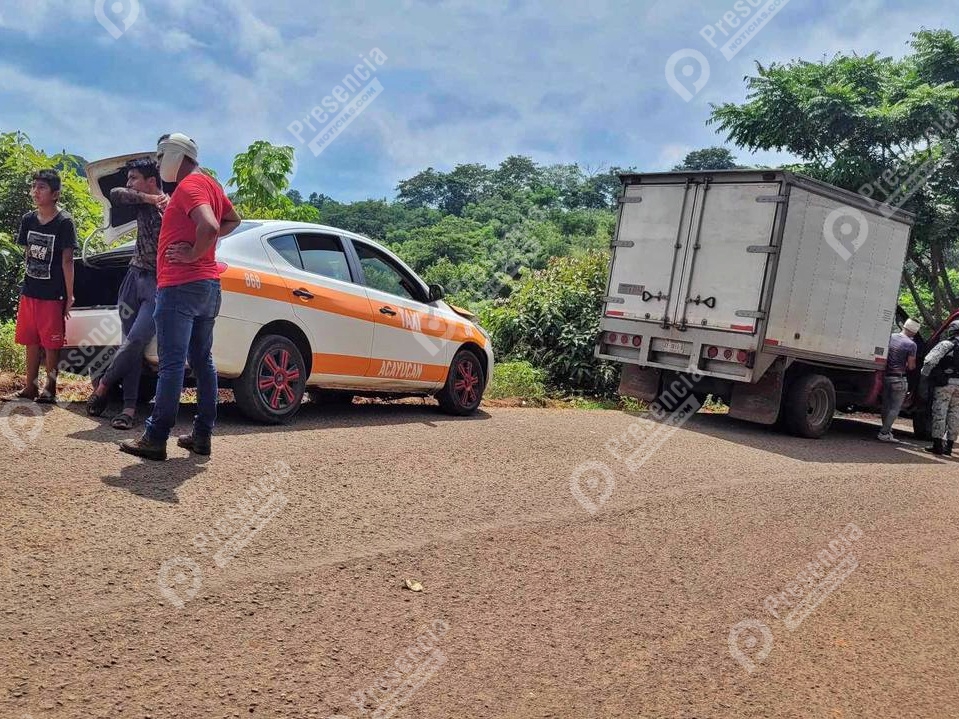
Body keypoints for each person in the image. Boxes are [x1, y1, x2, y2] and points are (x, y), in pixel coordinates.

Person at [120, 133, 241, 461]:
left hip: (181, 286)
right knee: (203, 361)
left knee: (172, 364)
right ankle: (202, 436)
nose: (159, 165)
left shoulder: (189, 186)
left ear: (175, 154)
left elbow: (211, 225)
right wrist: (203, 251)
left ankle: (156, 437)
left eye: (160, 157)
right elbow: (232, 219)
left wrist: (193, 254)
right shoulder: (211, 184)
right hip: (207, 287)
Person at [85, 158, 168, 428]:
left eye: (134, 178)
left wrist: (161, 204)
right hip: (132, 280)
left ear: (152, 179)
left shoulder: (172, 207)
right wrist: (148, 198)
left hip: (157, 284)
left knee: (134, 342)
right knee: (130, 344)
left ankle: (103, 388)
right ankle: (129, 410)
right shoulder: (141, 201)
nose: (129, 183)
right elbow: (115, 194)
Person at [1, 170, 76, 403]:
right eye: (34, 187)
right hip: (30, 291)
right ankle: (29, 387)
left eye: (41, 188)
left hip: (53, 295)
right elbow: (27, 255)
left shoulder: (64, 222)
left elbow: (67, 261)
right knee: (30, 341)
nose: (35, 192)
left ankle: (49, 389)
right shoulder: (28, 220)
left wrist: (69, 295)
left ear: (55, 194)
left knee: (51, 343)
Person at [919, 320, 959, 456]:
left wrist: (923, 377)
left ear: (952, 330)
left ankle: (937, 445)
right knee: (955, 414)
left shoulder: (946, 344)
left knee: (940, 413)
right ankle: (949, 447)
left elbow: (929, 361)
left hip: (944, 385)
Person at [877, 318, 920, 442]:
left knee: (885, 406)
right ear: (914, 331)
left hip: (886, 377)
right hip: (899, 379)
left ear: (904, 326)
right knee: (895, 408)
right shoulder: (912, 345)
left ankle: (887, 431)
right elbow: (911, 366)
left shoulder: (891, 337)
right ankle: (884, 433)